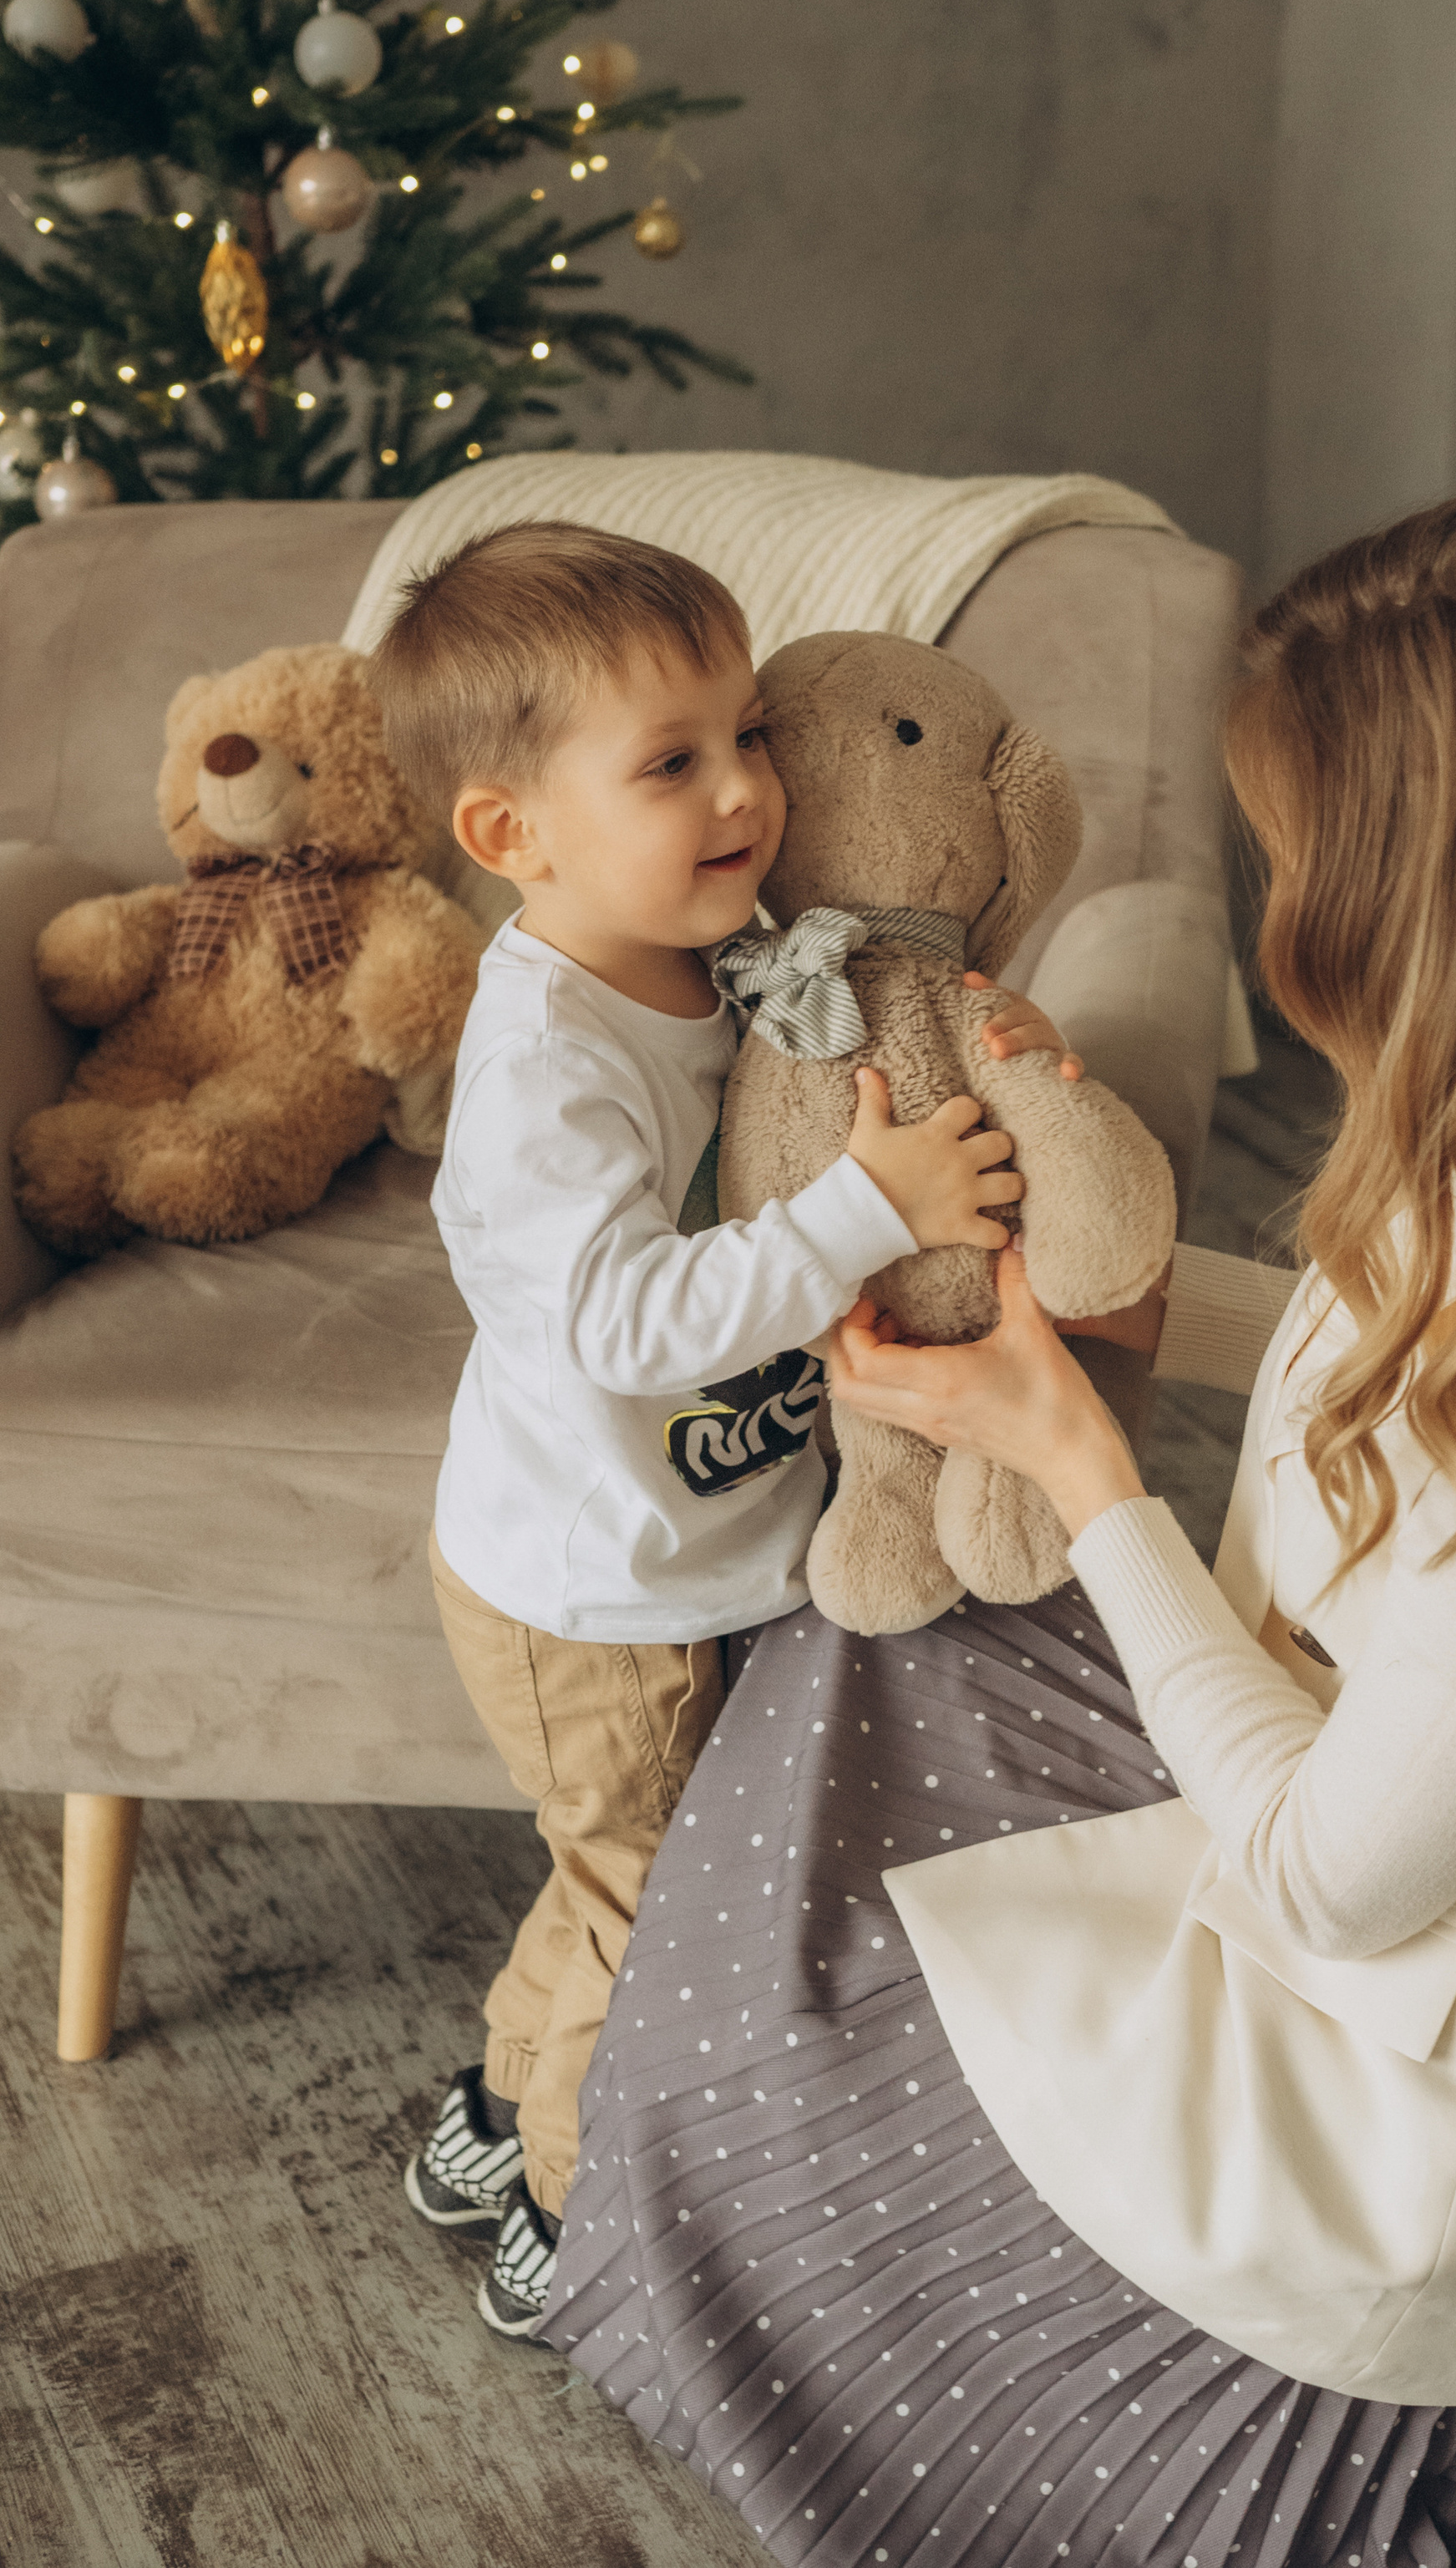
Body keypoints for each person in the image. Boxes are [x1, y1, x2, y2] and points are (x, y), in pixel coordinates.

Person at [542, 490, 1456, 2564]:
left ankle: (710, 2218)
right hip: (1446, 1873)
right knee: (887, 1653)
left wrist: (1076, 1463)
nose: (1273, 904)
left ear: (1435, 906)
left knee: (830, 1907)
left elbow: (1324, 1888)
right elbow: (1367, 1341)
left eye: (1296, 861)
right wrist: (1123, 1313)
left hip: (1426, 2128)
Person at [368, 521, 1074, 2336]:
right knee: (650, 1906)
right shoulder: (544, 1067)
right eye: (671, 763)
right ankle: (564, 2205)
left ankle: (488, 2103)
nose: (748, 789)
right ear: (511, 836)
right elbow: (617, 1323)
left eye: (746, 734)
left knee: (608, 1880)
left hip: (684, 1551)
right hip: (588, 1593)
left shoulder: (722, 946)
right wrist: (862, 1206)